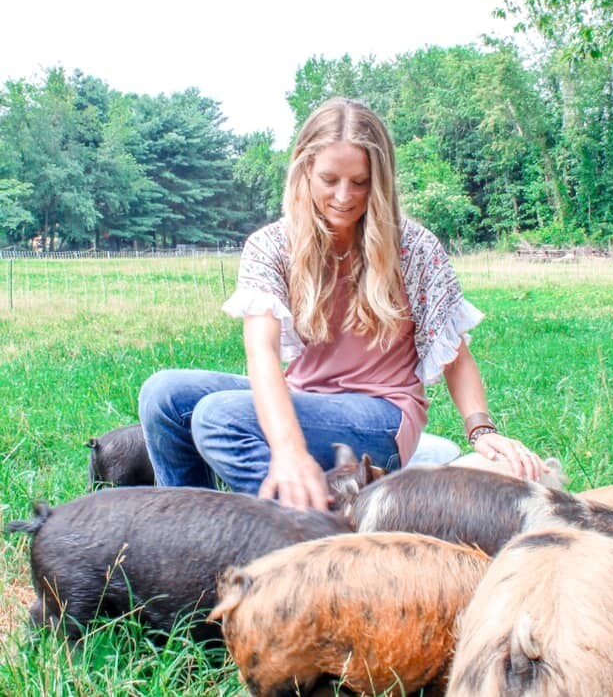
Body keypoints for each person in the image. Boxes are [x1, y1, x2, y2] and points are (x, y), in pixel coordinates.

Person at [139, 97, 547, 510]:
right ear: (304, 171)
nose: (344, 196)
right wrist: (288, 449)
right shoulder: (271, 246)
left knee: (219, 417)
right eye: (329, 179)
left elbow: (456, 355)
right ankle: (195, 526)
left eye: (360, 182)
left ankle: (303, 532)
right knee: (163, 394)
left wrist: (482, 431)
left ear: (380, 180)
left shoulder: (414, 247)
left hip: (380, 417)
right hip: (304, 400)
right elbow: (260, 352)